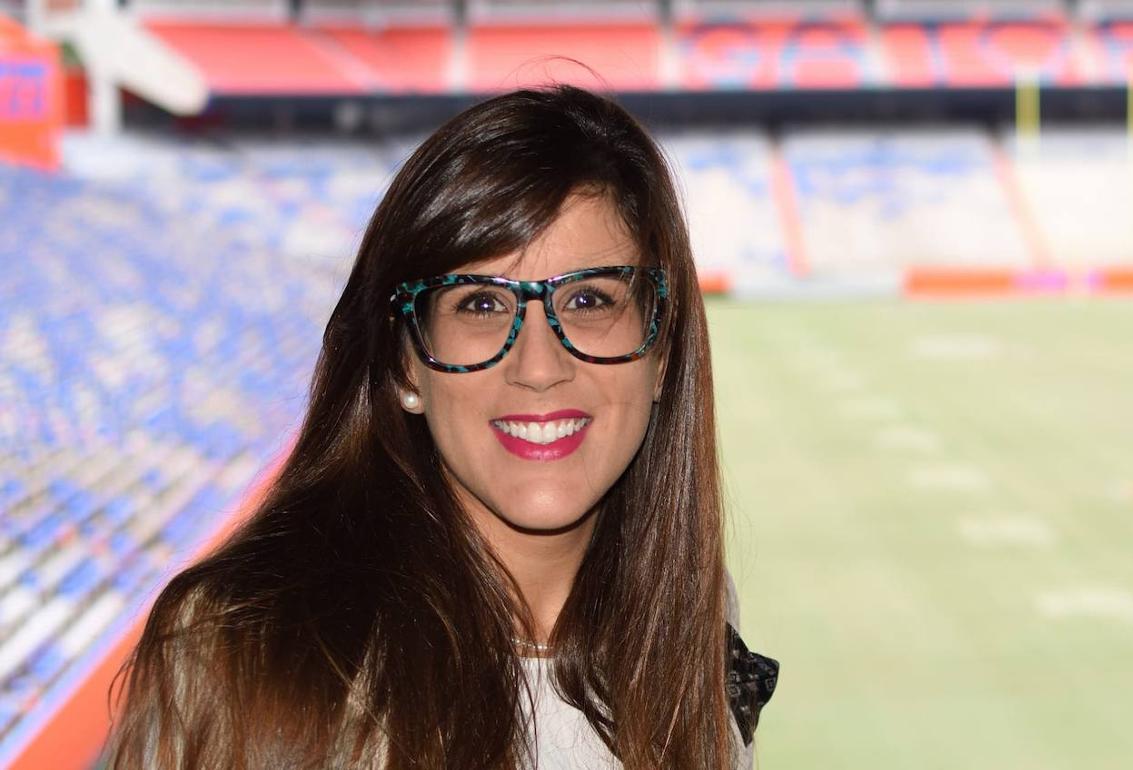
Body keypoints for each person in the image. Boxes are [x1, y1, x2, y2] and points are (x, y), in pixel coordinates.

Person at [104, 84, 777, 770]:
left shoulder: (687, 612)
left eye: (587, 299)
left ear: (661, 352)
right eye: (481, 302)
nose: (538, 366)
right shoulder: (249, 653)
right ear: (404, 366)